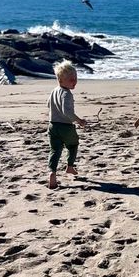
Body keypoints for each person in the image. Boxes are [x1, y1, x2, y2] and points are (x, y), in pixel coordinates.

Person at [47, 60, 88, 189]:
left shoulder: (54, 91)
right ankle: (70, 166)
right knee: (73, 145)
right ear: (60, 80)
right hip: (65, 126)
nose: (74, 82)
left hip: (52, 125)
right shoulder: (66, 94)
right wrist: (79, 121)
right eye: (71, 79)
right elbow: (67, 111)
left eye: (75, 79)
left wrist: (54, 112)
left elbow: (48, 104)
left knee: (55, 150)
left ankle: (52, 172)